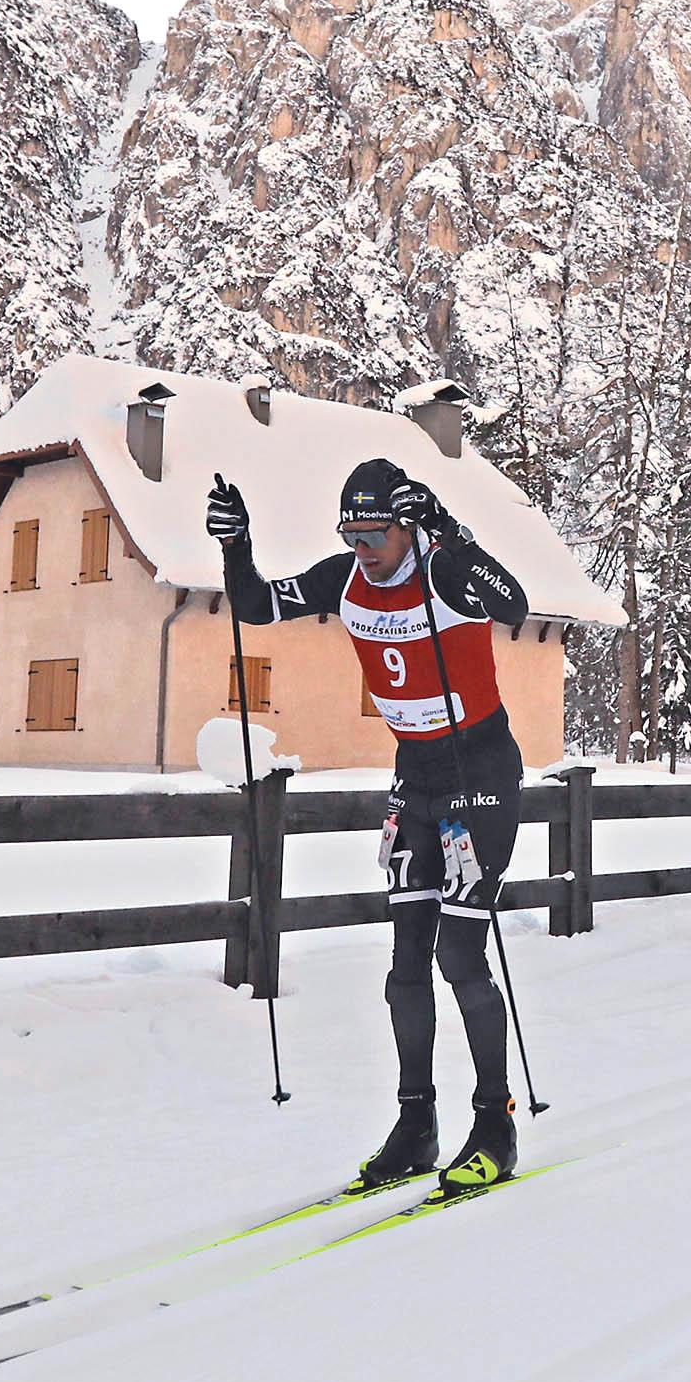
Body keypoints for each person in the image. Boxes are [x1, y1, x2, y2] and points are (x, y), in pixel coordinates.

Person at [210, 458, 532, 1194]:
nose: (362, 549)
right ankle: (415, 1123)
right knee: (403, 966)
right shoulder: (344, 577)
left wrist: (451, 534)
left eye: (374, 534)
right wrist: (237, 546)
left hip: (478, 771)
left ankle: (495, 1124)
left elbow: (511, 607)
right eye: (349, 534)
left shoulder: (443, 569)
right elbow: (256, 606)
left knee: (461, 955)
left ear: (405, 525)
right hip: (414, 775)